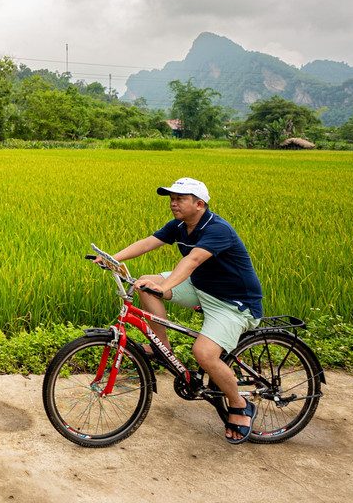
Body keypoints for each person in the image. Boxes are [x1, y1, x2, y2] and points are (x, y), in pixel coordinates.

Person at [109, 177, 263, 444]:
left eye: (179, 199)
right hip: (203, 287)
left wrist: (166, 286)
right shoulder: (180, 225)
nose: (173, 204)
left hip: (234, 303)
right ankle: (162, 347)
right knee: (146, 283)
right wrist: (112, 258)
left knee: (203, 353)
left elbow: (192, 260)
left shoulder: (217, 229)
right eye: (171, 199)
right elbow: (148, 242)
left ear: (199, 204)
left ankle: (239, 405)